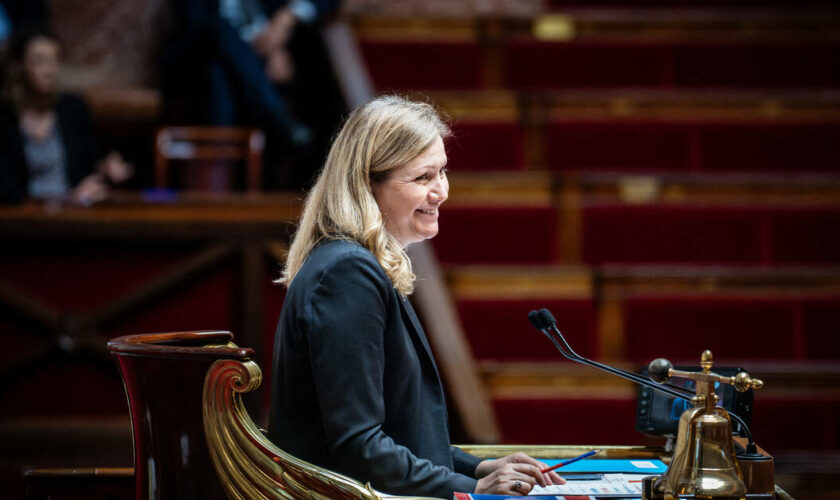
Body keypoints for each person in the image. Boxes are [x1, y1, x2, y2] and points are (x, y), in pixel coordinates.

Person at [268, 95, 565, 498]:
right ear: (367, 184)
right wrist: (472, 486)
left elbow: (397, 428)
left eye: (442, 172)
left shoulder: (356, 263)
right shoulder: (347, 273)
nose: (441, 191)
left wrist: (478, 465)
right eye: (423, 178)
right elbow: (359, 444)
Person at [0, 29, 132, 205]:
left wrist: (105, 169)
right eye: (39, 61)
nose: (48, 70)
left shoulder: (72, 109)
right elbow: (7, 190)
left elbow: (88, 169)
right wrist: (66, 199)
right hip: (22, 220)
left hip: (70, 216)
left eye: (53, 61)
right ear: (17, 66)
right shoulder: (4, 118)